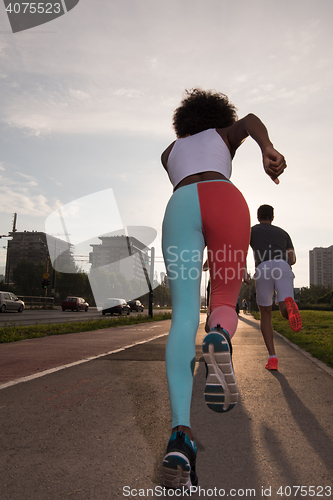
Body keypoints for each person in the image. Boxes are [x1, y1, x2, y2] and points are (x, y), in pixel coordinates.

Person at [161, 89, 287, 490]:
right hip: (225, 200)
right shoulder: (223, 134)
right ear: (218, 115)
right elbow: (250, 120)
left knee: (182, 316)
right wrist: (267, 148)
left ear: (183, 121)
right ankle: (219, 335)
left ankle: (181, 436)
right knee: (224, 299)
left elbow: (184, 179)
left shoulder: (169, 151)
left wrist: (196, 241)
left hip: (180, 207)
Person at [250, 204, 302, 371]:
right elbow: (292, 259)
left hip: (263, 267)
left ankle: (272, 358)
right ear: (272, 217)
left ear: (258, 217)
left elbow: (241, 250)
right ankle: (288, 305)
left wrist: (244, 272)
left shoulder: (251, 231)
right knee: (284, 306)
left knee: (265, 314)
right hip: (283, 266)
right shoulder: (283, 233)